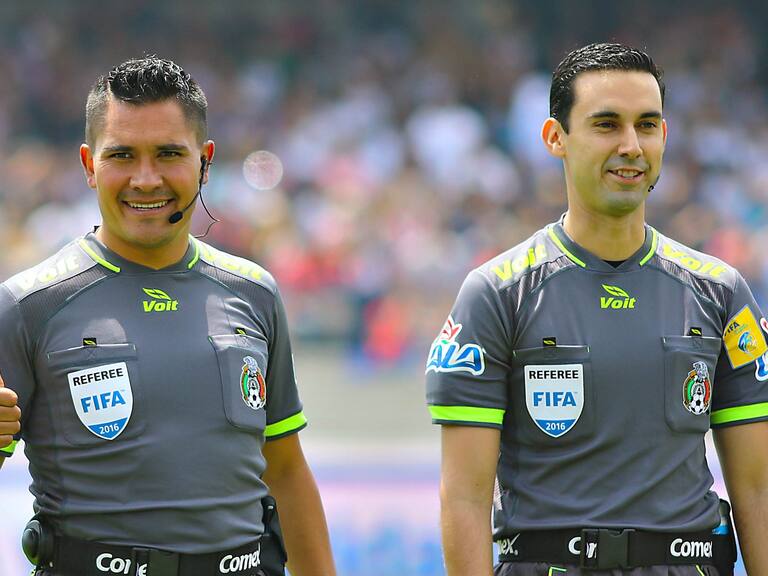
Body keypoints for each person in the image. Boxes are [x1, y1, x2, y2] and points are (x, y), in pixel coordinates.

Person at [426, 43, 768, 576]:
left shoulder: (720, 290)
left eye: (647, 125)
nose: (631, 145)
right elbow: (464, 498)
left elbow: (757, 489)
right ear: (555, 138)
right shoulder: (497, 293)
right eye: (607, 124)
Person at [0, 56, 336, 576]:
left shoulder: (256, 293)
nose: (146, 178)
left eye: (168, 154)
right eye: (123, 156)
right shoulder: (27, 306)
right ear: (90, 166)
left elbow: (286, 470)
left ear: (205, 161)